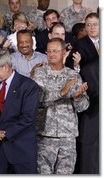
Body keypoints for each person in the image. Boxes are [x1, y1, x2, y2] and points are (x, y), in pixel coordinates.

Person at [31, 38, 89, 174]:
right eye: (49, 51)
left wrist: (78, 97)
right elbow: (37, 100)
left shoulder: (73, 75)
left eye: (55, 51)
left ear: (64, 52)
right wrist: (62, 93)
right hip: (44, 135)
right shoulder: (39, 74)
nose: (51, 54)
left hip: (67, 136)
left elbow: (83, 107)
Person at [0, 48, 39, 174]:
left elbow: (27, 118)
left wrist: (3, 134)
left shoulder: (28, 86)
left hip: (21, 150)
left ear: (5, 67)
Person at [74, 12, 99, 174]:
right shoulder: (80, 45)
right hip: (91, 98)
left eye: (95, 24)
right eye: (88, 24)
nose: (91, 28)